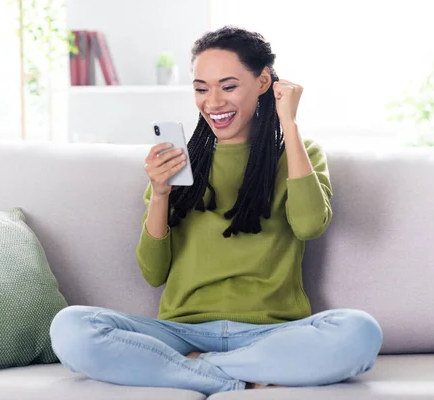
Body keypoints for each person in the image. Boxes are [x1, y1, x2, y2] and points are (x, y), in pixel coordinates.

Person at [49, 26, 383, 396]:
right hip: (182, 331)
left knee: (360, 332)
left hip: (272, 333)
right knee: (71, 328)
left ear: (262, 83)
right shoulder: (179, 161)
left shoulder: (298, 154)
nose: (213, 102)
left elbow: (308, 226)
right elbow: (153, 272)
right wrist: (160, 194)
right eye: (201, 88)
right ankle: (237, 378)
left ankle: (194, 371)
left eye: (228, 86)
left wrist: (289, 123)